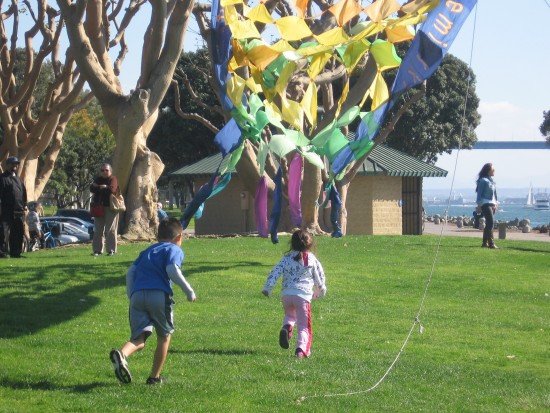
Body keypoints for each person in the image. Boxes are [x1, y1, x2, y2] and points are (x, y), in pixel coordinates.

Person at [109, 218, 196, 385]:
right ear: (178, 238)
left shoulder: (147, 251)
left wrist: (131, 295)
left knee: (139, 339)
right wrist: (189, 291)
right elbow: (172, 269)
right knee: (164, 336)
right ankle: (154, 377)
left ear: (157, 237)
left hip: (137, 296)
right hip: (158, 295)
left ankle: (122, 354)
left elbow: (130, 272)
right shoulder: (173, 249)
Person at [262, 229, 327, 358]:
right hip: (303, 296)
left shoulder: (286, 258)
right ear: (309, 244)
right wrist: (321, 288)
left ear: (292, 244)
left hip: (287, 295)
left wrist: (267, 287)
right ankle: (301, 350)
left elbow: (275, 272)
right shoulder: (311, 259)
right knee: (304, 326)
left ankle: (287, 328)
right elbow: (319, 275)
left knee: (290, 316)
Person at [0, 156, 28, 258]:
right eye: (12, 164)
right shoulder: (2, 178)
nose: (15, 166)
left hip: (19, 211)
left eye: (16, 164)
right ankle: (2, 252)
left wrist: (24, 205)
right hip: (6, 211)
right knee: (3, 233)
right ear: (7, 165)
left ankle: (16, 252)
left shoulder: (19, 179)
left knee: (17, 233)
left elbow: (23, 194)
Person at [90, 163, 119, 256]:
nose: (104, 172)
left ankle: (111, 250)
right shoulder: (98, 179)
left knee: (110, 229)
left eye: (106, 170)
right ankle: (97, 250)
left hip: (110, 207)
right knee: (98, 230)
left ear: (110, 171)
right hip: (99, 207)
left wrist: (102, 187)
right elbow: (92, 188)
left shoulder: (113, 179)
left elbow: (112, 190)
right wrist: (101, 187)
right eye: (102, 170)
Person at [476, 162, 499, 249]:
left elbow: (495, 194)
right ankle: (491, 243)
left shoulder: (492, 181)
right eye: (493, 169)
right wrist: (479, 205)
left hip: (492, 203)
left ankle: (484, 243)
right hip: (485, 203)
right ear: (488, 171)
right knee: (490, 223)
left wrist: (496, 203)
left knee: (489, 223)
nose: (494, 171)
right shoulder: (483, 181)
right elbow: (479, 194)